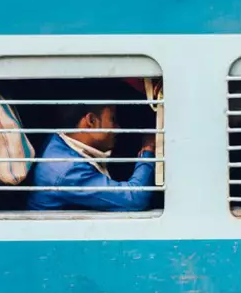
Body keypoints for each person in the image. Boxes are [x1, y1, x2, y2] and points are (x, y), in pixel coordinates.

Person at [27, 82, 161, 212]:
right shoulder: (68, 171)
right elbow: (135, 198)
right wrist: (148, 148)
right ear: (91, 121)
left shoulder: (57, 141)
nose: (118, 128)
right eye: (112, 120)